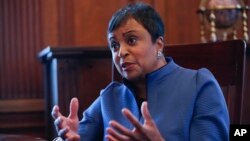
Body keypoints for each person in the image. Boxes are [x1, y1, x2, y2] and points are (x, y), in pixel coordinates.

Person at [52, 2, 229, 141]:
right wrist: (63, 138)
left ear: (158, 44)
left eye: (131, 40)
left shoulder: (199, 85)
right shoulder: (109, 96)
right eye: (114, 45)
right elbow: (75, 137)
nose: (121, 52)